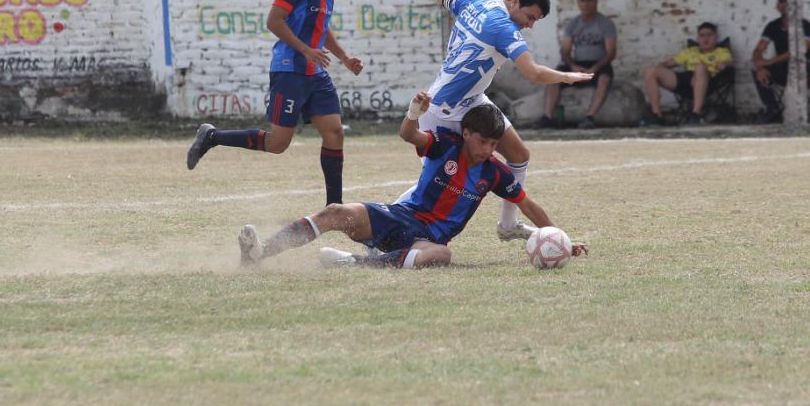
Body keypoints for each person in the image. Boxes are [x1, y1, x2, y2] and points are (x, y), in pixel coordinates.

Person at [237, 93, 588, 269]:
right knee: (334, 212)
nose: (488, 149)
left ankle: (356, 263)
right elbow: (408, 135)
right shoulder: (444, 146)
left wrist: (562, 239)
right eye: (483, 141)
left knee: (443, 254)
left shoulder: (494, 172)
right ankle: (259, 253)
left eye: (495, 144)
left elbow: (527, 204)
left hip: (426, 239)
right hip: (398, 217)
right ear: (466, 133)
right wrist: (413, 114)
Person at [398, 0, 590, 241]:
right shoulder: (503, 27)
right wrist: (569, 76)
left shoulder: (473, 4)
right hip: (443, 109)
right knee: (435, 183)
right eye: (530, 16)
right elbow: (533, 72)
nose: (530, 24)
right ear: (514, 2)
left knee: (519, 156)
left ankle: (508, 225)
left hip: (472, 100)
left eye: (536, 20)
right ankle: (390, 217)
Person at [186, 0, 363, 205]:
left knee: (334, 133)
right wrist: (306, 50)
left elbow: (322, 25)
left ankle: (335, 207)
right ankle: (212, 137)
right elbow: (274, 21)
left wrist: (344, 57)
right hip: (290, 70)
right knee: (278, 144)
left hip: (314, 72)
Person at [538, 0, 617, 130]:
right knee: (553, 76)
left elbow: (611, 53)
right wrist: (573, 66)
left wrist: (595, 68)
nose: (586, 4)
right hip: (577, 64)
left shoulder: (605, 23)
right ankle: (547, 117)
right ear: (578, 3)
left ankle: (589, 117)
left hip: (598, 65)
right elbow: (566, 51)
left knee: (605, 79)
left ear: (596, 2)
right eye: (583, 1)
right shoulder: (573, 24)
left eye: (589, 0)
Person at [640, 21, 733, 125]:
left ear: (716, 37)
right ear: (698, 39)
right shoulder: (691, 51)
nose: (705, 39)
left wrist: (724, 65)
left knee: (700, 67)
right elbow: (669, 63)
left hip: (707, 80)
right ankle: (657, 115)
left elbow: (728, 63)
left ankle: (696, 113)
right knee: (650, 71)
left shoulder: (721, 51)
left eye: (709, 35)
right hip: (686, 79)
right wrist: (659, 68)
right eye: (702, 36)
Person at [753, 0, 810, 123]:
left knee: (794, 63)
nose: (787, 5)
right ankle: (773, 109)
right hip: (784, 67)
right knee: (756, 70)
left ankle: (797, 114)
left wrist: (769, 62)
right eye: (784, 1)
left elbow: (800, 51)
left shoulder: (806, 25)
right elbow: (758, 50)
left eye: (791, 2)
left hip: (808, 66)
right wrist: (760, 67)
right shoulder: (773, 26)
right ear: (778, 5)